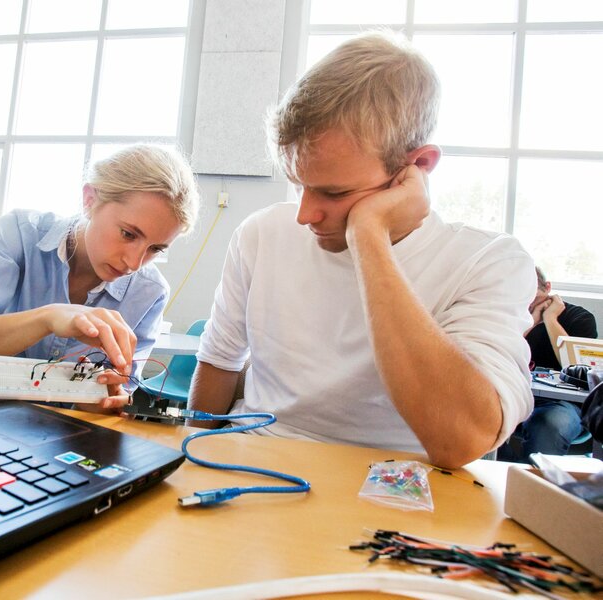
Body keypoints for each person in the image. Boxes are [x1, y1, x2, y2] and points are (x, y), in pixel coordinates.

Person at [187, 32, 536, 469]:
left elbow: (461, 440)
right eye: (298, 185)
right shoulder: (260, 234)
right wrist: (182, 467)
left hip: (395, 486)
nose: (305, 214)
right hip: (255, 460)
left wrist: (369, 237)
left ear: (418, 167)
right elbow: (219, 364)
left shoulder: (489, 262)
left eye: (334, 193)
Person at [0, 144, 199, 410]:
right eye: (128, 234)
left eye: (155, 249)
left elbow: (115, 397)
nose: (134, 263)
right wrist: (49, 318)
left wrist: (106, 400)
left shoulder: (150, 293)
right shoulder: (18, 235)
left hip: (69, 438)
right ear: (90, 200)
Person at [498, 266, 598, 462]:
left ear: (548, 287)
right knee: (478, 414)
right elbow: (500, 355)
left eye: (533, 297)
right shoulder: (512, 317)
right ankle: (508, 471)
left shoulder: (580, 318)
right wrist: (531, 323)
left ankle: (533, 485)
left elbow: (577, 367)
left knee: (548, 424)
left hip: (563, 405)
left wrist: (550, 319)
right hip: (515, 395)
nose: (528, 303)